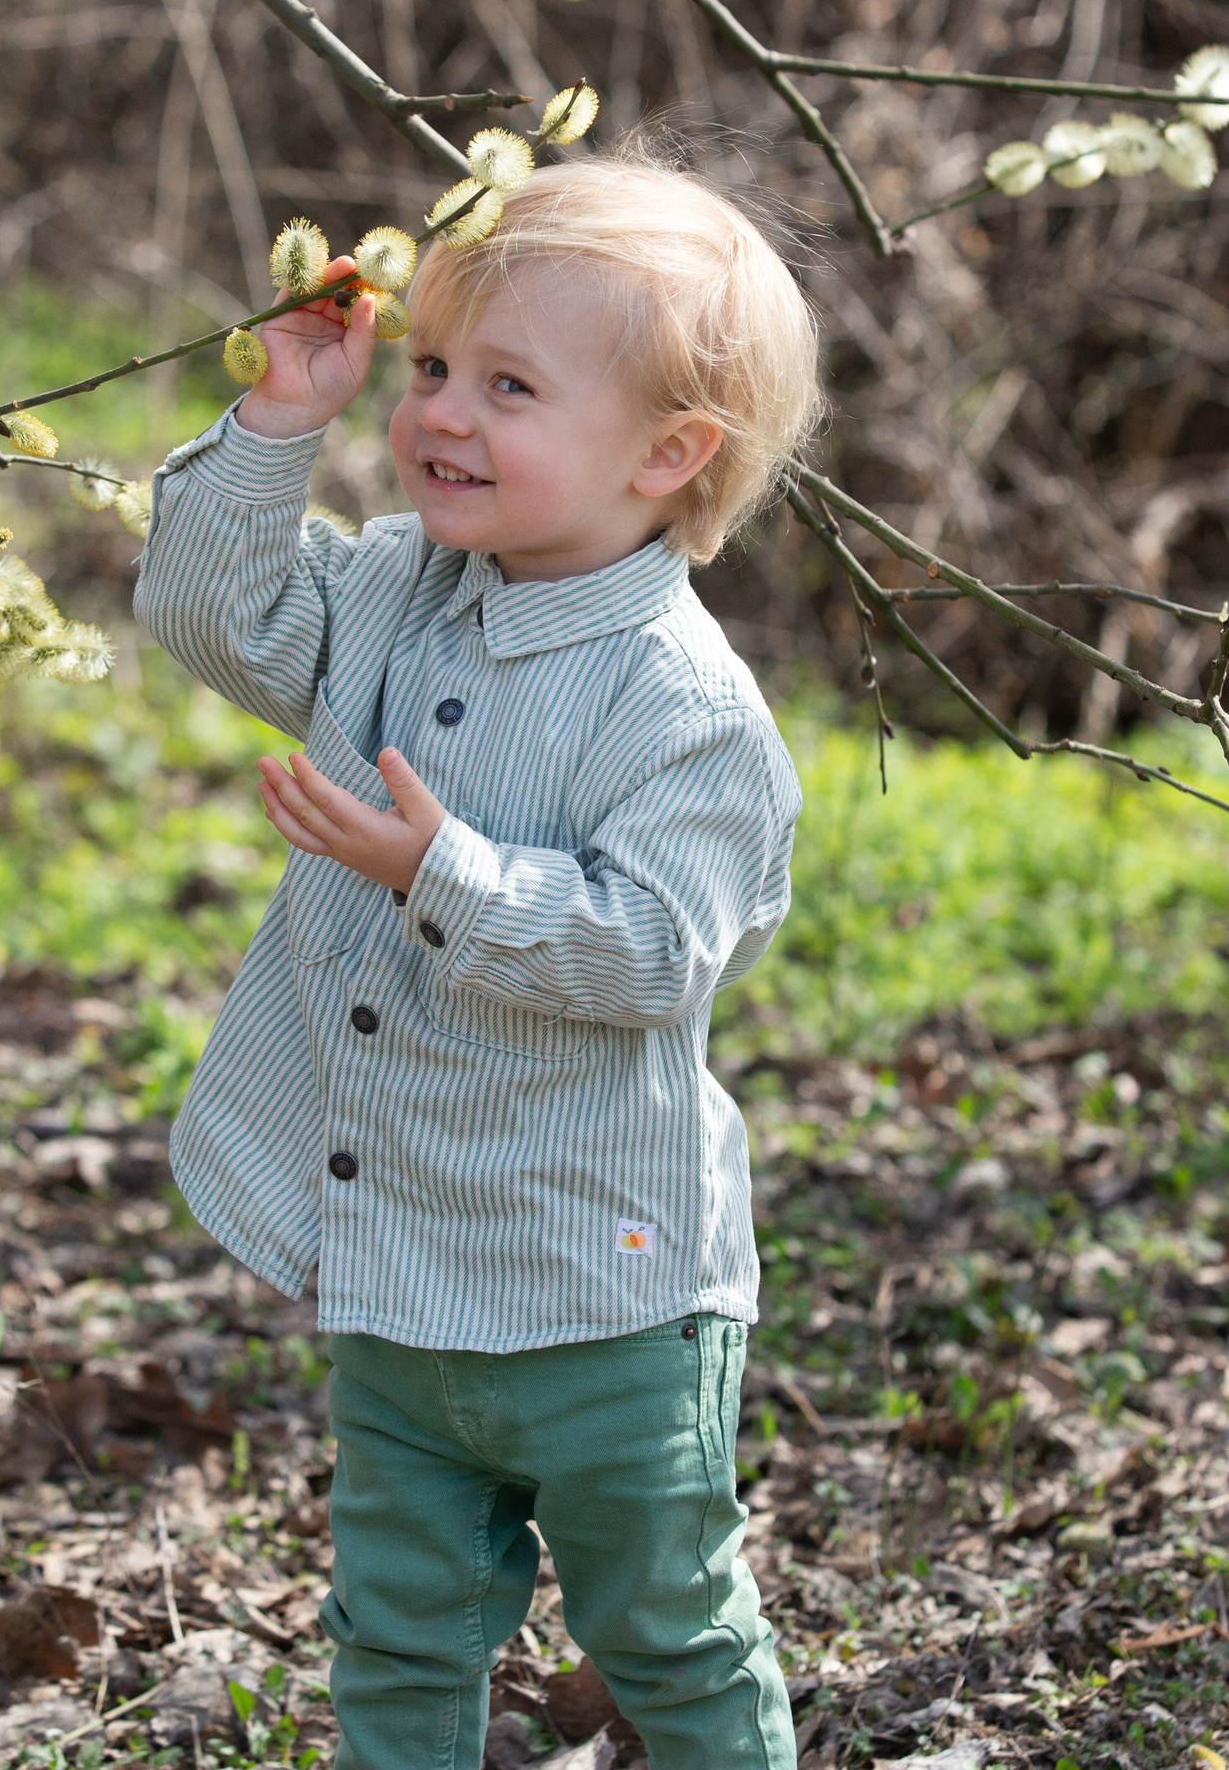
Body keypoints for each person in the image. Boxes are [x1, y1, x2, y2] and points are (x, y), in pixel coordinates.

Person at [134, 145, 823, 1770]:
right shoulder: (391, 589)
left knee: (662, 1618)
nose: (441, 412)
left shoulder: (688, 709)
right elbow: (209, 615)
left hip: (606, 1288)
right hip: (397, 1262)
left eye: (508, 385)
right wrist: (281, 423)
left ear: (668, 454)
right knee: (397, 1622)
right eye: (435, 368)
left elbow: (653, 950)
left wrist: (438, 871)